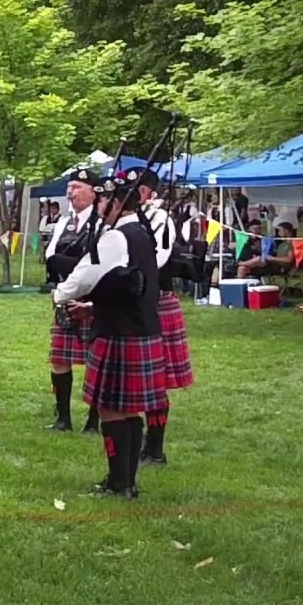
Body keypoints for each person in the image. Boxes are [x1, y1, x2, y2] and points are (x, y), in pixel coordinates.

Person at [54, 170, 167, 499]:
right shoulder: (139, 232)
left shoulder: (117, 236)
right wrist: (93, 305)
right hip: (140, 327)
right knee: (128, 409)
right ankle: (126, 481)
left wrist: (61, 294)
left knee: (111, 408)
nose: (100, 204)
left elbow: (87, 272)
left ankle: (120, 483)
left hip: (120, 330)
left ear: (116, 203)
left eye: (104, 199)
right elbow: (125, 283)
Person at [131, 169, 196, 466]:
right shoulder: (123, 220)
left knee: (156, 380)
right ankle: (132, 440)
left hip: (157, 301)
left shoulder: (161, 220)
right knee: (133, 377)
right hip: (131, 301)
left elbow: (153, 262)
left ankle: (154, 448)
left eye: (138, 190)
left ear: (150, 192)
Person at [43, 168, 100, 433]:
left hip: (93, 297)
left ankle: (94, 419)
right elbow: (50, 254)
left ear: (93, 192)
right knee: (59, 359)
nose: (71, 191)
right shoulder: (65, 222)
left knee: (97, 360)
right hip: (66, 295)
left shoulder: (101, 223)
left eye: (77, 186)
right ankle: (63, 417)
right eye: (70, 186)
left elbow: (97, 263)